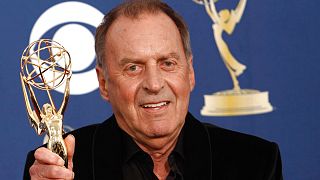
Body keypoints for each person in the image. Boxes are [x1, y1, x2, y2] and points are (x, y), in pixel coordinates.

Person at [23, 0, 283, 179]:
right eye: (133, 68)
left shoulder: (255, 162)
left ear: (189, 72)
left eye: (167, 63)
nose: (154, 84)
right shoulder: (57, 167)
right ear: (103, 84)